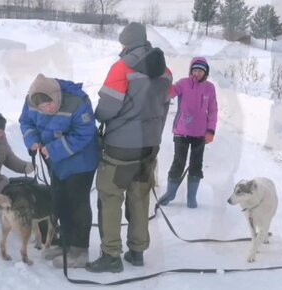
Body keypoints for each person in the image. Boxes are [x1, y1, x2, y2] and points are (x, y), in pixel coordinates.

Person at [85, 22, 173, 273]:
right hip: (150, 145)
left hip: (121, 146)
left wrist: (100, 117)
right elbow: (165, 106)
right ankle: (137, 251)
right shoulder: (165, 71)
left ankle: (111, 255)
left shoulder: (122, 68)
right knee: (140, 195)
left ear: (126, 42)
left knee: (111, 196)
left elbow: (106, 109)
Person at [19, 73, 100, 269]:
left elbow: (85, 133)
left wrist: (54, 149)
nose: (47, 110)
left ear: (56, 96)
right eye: (42, 108)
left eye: (50, 105)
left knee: (77, 203)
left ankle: (79, 250)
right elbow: (26, 122)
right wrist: (32, 141)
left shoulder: (77, 102)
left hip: (80, 161)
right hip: (56, 161)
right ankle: (66, 242)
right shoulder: (31, 101)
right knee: (60, 200)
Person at [157, 57, 218, 208]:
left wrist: (211, 130)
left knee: (196, 165)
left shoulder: (209, 88)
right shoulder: (183, 83)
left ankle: (192, 197)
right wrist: (162, 78)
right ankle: (170, 194)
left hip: (200, 134)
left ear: (205, 72)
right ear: (191, 71)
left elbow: (213, 110)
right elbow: (169, 92)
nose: (197, 73)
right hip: (181, 131)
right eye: (195, 70)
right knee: (178, 162)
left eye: (200, 71)